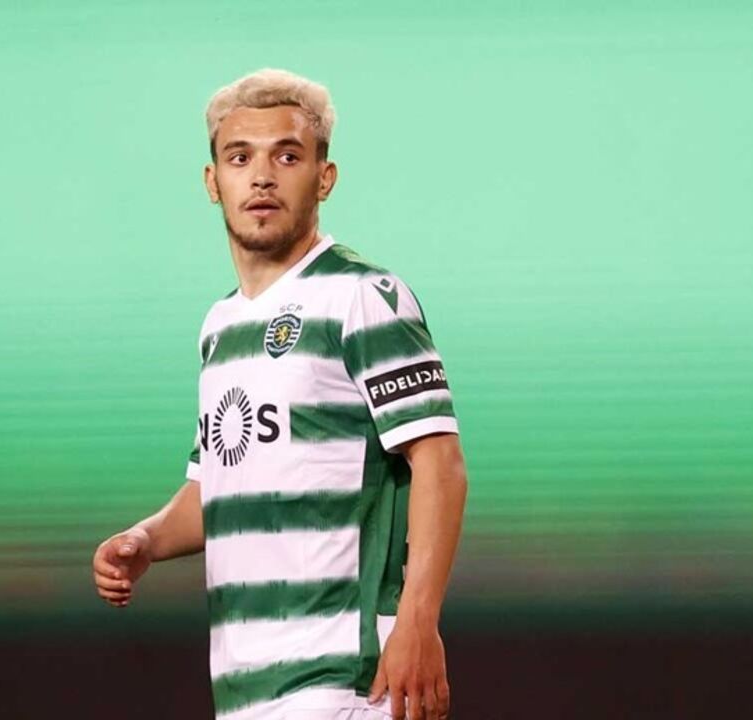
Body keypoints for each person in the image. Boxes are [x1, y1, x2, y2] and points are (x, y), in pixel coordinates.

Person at [92, 68, 468, 720]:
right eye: (240, 158)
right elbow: (218, 484)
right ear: (213, 182)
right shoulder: (219, 327)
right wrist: (146, 540)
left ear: (324, 177)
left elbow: (439, 461)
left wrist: (418, 621)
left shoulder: (362, 296)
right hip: (245, 687)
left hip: (346, 679)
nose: (262, 177)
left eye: (287, 156)